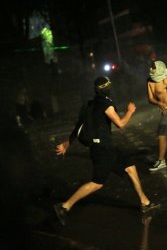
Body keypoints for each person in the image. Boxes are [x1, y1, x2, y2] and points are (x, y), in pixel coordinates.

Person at [54, 76, 160, 226]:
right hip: (104, 150)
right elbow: (121, 124)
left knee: (130, 167)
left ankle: (145, 202)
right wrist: (130, 111)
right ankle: (64, 206)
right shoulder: (106, 104)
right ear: (108, 88)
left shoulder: (89, 105)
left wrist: (67, 143)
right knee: (97, 183)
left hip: (102, 149)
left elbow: (79, 126)